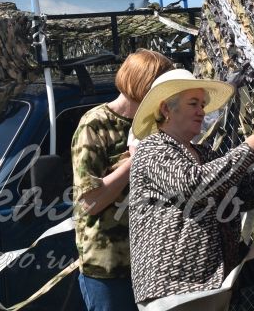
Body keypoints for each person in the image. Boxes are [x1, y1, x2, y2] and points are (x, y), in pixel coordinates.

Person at [128, 68, 254, 306]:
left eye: (202, 104)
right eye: (194, 104)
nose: (202, 111)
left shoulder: (203, 154)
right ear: (166, 109)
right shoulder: (152, 149)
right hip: (174, 290)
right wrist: (250, 149)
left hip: (213, 286)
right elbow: (194, 186)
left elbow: (245, 195)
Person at [72, 49, 174, 311]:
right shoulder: (95, 124)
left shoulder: (157, 125)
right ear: (144, 85)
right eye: (163, 87)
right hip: (109, 267)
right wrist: (134, 161)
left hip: (153, 262)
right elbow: (90, 202)